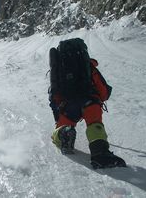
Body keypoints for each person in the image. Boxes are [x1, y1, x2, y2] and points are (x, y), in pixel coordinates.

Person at [48, 38, 125, 169]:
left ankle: (62, 133)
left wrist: (59, 112)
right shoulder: (88, 67)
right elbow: (104, 93)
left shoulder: (59, 69)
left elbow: (54, 94)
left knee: (61, 127)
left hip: (69, 106)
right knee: (94, 124)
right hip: (90, 102)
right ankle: (100, 153)